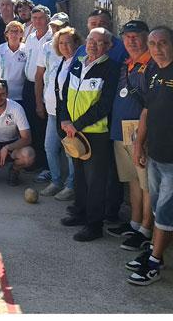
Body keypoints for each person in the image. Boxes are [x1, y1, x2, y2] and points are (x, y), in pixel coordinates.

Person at [59, 27, 120, 242]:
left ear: (108, 46)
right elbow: (65, 92)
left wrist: (78, 124)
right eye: (91, 39)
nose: (93, 44)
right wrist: (65, 120)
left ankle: (94, 225)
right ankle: (81, 212)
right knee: (80, 177)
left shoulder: (111, 68)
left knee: (96, 181)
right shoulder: (78, 62)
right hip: (73, 130)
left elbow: (104, 105)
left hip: (95, 133)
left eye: (100, 41)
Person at [127, 26, 173, 285]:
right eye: (153, 43)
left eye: (162, 43)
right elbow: (147, 111)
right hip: (155, 154)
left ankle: (154, 263)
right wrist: (138, 145)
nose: (156, 48)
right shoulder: (154, 72)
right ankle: (157, 254)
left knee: (166, 213)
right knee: (159, 210)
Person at [105, 20, 156, 251]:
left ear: (147, 38)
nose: (131, 41)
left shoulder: (153, 66)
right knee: (132, 180)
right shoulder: (127, 64)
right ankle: (135, 222)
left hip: (140, 133)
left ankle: (146, 228)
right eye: (127, 37)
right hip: (121, 129)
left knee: (146, 183)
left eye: (136, 36)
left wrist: (143, 139)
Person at [35, 23, 78, 202]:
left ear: (76, 43)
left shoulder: (78, 62)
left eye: (68, 43)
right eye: (61, 43)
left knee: (70, 151)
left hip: (68, 116)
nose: (64, 47)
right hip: (54, 112)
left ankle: (71, 186)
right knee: (50, 147)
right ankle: (56, 181)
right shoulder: (61, 61)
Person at [22, 5, 54, 180]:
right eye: (34, 18)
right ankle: (33, 161)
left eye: (41, 18)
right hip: (29, 86)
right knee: (31, 126)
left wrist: (39, 101)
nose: (37, 22)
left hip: (44, 88)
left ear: (48, 19)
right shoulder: (31, 37)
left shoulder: (53, 38)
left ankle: (46, 167)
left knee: (43, 128)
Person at [0, 21, 27, 103]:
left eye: (17, 31)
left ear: (21, 34)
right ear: (6, 34)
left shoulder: (26, 50)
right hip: (1, 97)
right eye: (11, 31)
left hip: (21, 96)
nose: (14, 34)